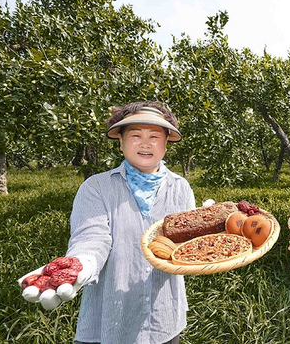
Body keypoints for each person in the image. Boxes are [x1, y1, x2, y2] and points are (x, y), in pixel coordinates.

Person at [19, 101, 195, 344]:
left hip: (163, 318)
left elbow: (184, 245)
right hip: (111, 320)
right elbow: (92, 238)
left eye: (155, 136)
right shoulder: (97, 188)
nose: (145, 143)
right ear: (121, 142)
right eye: (135, 135)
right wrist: (83, 264)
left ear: (166, 144)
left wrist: (209, 229)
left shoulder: (180, 188)